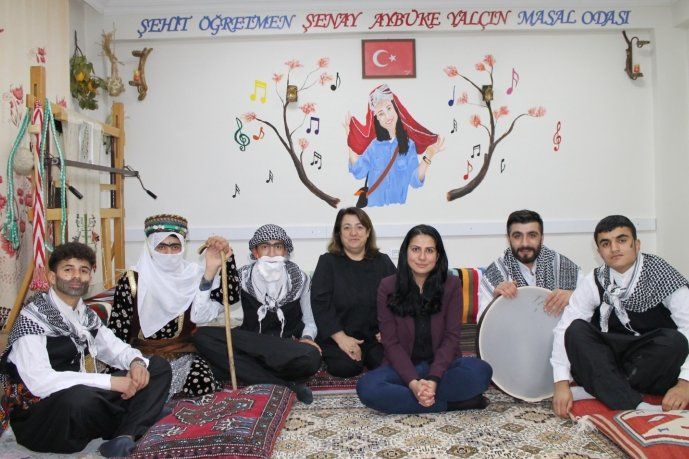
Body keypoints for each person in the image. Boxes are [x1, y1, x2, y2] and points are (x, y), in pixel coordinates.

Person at [0, 242, 171, 457]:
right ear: (52, 277)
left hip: (84, 397)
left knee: (156, 367)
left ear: (90, 277)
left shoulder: (85, 315)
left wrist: (135, 363)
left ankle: (125, 435)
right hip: (42, 417)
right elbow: (40, 382)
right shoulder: (33, 319)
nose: (76, 277)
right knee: (80, 400)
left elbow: (115, 349)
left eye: (83, 270)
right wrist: (110, 382)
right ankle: (141, 415)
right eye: (68, 269)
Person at [551, 215, 689, 418]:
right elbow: (565, 327)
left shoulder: (662, 274)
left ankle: (602, 388)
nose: (614, 248)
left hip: (649, 362)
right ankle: (633, 403)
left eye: (621, 240)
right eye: (606, 243)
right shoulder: (595, 280)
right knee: (576, 330)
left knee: (675, 341)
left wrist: (685, 384)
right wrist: (561, 384)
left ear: (637, 244)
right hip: (613, 355)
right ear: (599, 252)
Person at [356, 225, 492, 414]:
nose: (422, 257)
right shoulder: (388, 286)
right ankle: (453, 404)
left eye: (429, 250)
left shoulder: (451, 285)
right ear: (406, 253)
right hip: (402, 367)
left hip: (443, 367)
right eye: (415, 249)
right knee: (367, 387)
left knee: (481, 371)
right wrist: (413, 383)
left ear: (438, 255)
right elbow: (391, 343)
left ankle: (417, 397)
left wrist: (433, 379)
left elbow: (451, 338)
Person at [108, 214, 238, 397]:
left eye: (175, 246)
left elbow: (228, 297)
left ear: (182, 247)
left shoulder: (192, 275)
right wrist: (116, 370)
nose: (169, 253)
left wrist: (219, 264)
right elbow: (117, 332)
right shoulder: (132, 280)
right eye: (161, 247)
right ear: (150, 247)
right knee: (133, 390)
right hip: (142, 359)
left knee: (202, 383)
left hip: (182, 355)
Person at [193, 224, 321, 404]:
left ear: (285, 251)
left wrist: (307, 338)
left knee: (311, 357)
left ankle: (251, 373)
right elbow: (199, 317)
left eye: (278, 246)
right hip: (251, 345)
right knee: (201, 336)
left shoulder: (300, 278)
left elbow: (310, 321)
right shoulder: (242, 277)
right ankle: (284, 385)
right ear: (255, 252)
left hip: (285, 349)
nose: (272, 253)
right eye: (265, 247)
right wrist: (210, 272)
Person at [311, 207, 396, 377]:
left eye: (359, 227)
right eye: (347, 227)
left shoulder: (383, 262)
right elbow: (320, 305)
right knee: (347, 367)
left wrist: (389, 328)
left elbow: (398, 298)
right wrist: (341, 338)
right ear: (339, 233)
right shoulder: (327, 262)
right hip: (337, 336)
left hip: (374, 337)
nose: (353, 233)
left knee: (386, 364)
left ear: (368, 232)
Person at [346, 84, 445, 207]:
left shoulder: (409, 145)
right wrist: (350, 140)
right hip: (375, 209)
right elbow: (358, 172)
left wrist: (428, 156)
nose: (387, 116)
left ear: (396, 109)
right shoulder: (374, 146)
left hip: (399, 210)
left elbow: (415, 181)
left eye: (389, 108)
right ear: (377, 119)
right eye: (381, 114)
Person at [478, 209, 581, 317]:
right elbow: (482, 322)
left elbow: (588, 308)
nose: (525, 243)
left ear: (542, 238)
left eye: (532, 235)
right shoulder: (495, 273)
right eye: (517, 236)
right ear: (508, 239)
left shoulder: (566, 268)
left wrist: (573, 297)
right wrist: (495, 302)